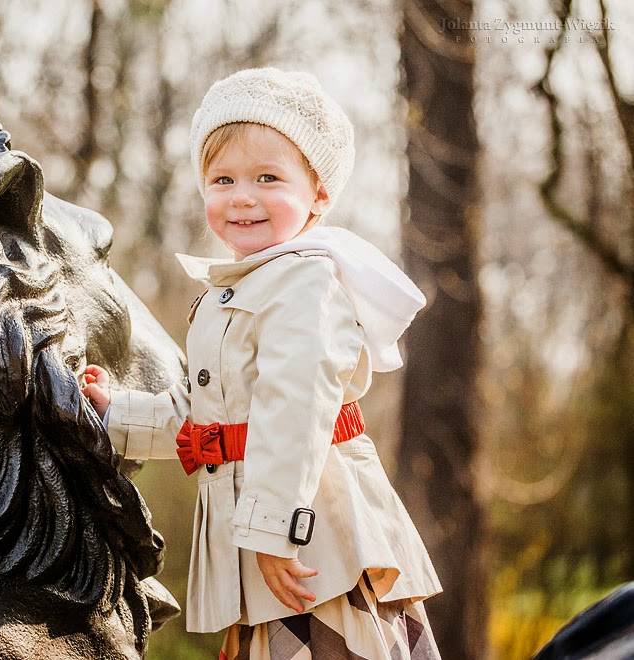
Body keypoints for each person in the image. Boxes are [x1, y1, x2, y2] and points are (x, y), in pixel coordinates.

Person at [82, 67, 442, 659]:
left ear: (318, 194)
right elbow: (207, 422)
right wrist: (113, 410)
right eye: (222, 179)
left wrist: (278, 531)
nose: (241, 196)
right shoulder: (228, 293)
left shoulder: (305, 279)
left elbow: (296, 408)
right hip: (257, 552)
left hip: (315, 548)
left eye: (268, 177)